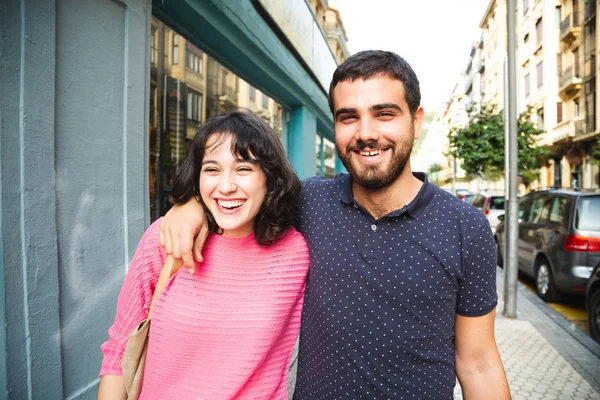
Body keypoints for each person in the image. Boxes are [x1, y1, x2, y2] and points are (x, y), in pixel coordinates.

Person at [159, 50, 511, 399]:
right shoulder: (308, 201)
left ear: (417, 121)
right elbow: (240, 196)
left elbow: (478, 363)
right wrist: (190, 205)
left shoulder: (465, 226)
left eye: (384, 114)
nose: (366, 133)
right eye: (348, 117)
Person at [97, 111, 309, 399]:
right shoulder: (166, 240)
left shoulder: (296, 251)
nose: (225, 186)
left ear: (269, 177)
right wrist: (190, 205)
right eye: (211, 169)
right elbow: (119, 349)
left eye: (243, 169)